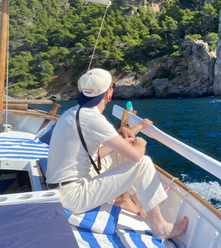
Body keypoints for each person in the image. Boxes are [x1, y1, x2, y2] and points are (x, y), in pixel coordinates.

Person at [45, 68, 188, 238]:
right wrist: (139, 144)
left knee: (121, 154)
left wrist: (119, 144)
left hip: (61, 188)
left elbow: (92, 155)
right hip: (74, 196)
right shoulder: (93, 119)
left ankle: (142, 205)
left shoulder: (71, 113)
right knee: (142, 162)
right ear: (108, 94)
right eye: (112, 86)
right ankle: (160, 227)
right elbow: (136, 156)